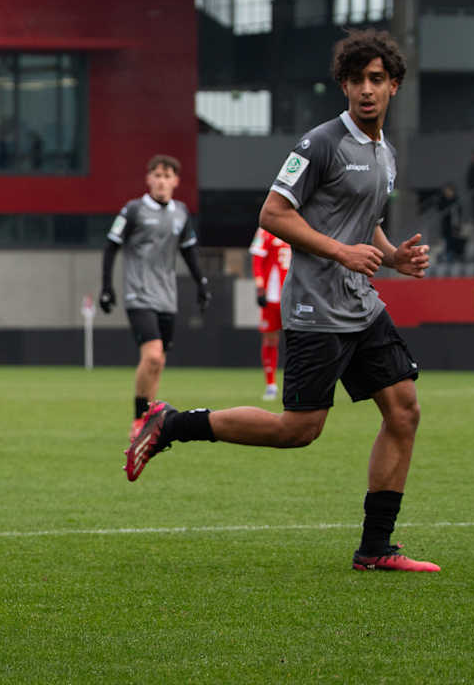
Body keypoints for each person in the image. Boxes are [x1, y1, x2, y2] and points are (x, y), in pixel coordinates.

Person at [125, 29, 439, 573]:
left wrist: (391, 258)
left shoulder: (385, 152)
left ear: (393, 86)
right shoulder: (320, 143)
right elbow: (273, 215)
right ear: (343, 84)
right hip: (318, 307)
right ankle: (169, 424)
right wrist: (342, 252)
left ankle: (376, 548)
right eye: (357, 79)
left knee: (404, 411)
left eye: (377, 79)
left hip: (363, 305)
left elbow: (366, 222)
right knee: (299, 430)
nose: (367, 89)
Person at [97, 154, 210, 450]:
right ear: (149, 179)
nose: (161, 181)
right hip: (138, 295)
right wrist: (107, 287)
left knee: (158, 364)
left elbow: (189, 251)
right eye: (157, 175)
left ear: (176, 181)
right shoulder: (133, 210)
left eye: (167, 176)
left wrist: (202, 283)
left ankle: (149, 419)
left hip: (167, 298)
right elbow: (111, 246)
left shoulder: (181, 213)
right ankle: (138, 417)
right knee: (153, 357)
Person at [249, 226, 291, 400]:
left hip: (294, 294)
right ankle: (271, 384)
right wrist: (260, 287)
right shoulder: (266, 230)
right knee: (270, 338)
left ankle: (295, 384)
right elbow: (257, 260)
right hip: (273, 294)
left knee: (299, 340)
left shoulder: (302, 226)